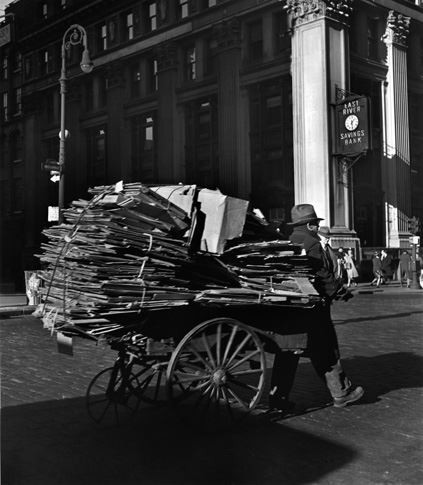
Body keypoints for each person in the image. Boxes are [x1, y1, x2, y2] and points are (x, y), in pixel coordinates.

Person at [269, 204, 364, 413]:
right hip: (312, 310)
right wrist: (340, 291)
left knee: (288, 352)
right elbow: (321, 274)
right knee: (326, 350)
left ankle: (277, 399)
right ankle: (341, 393)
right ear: (311, 225)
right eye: (316, 223)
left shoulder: (287, 241)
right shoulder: (312, 242)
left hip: (288, 309)